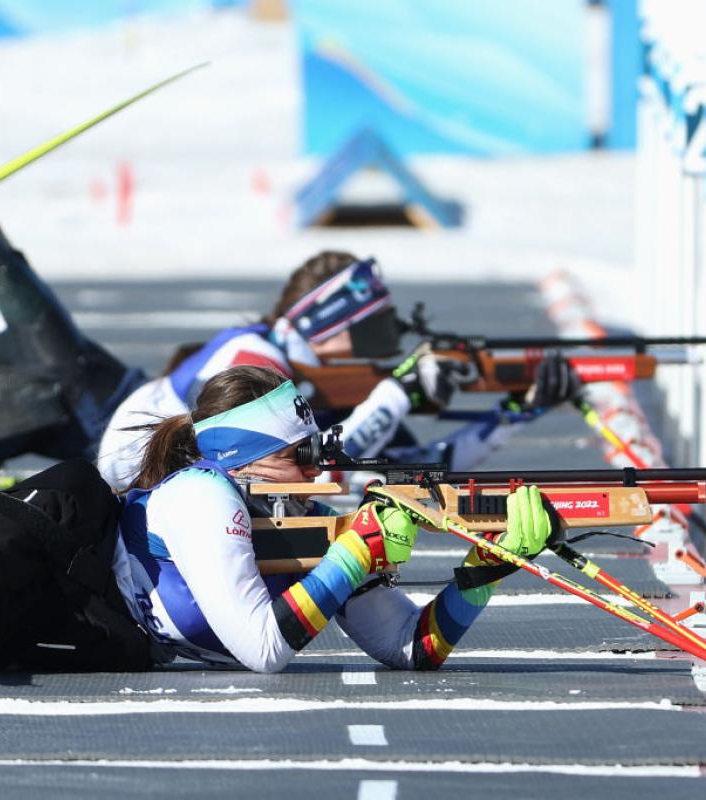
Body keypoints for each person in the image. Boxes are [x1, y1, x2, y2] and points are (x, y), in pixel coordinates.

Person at [110, 365, 559, 672]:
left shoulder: (300, 515)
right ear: (243, 461)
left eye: (314, 449)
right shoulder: (201, 496)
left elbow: (409, 646)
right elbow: (263, 651)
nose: (316, 468)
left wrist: (488, 566)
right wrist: (353, 556)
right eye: (296, 455)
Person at [97, 251, 580, 492]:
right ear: (320, 324)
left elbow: (411, 469)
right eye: (366, 332)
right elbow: (317, 473)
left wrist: (511, 415)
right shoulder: (251, 362)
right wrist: (396, 394)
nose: (376, 350)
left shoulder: (298, 377)